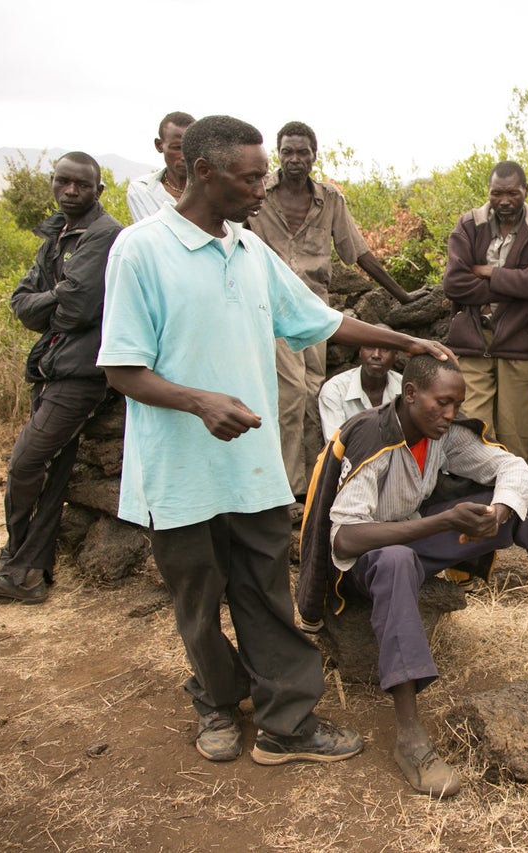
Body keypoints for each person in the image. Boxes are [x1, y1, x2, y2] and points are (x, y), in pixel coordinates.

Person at [96, 115, 453, 766]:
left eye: (265, 172)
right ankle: (216, 701)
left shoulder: (249, 251)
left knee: (264, 595)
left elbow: (322, 319)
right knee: (198, 604)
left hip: (251, 469)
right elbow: (122, 368)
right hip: (179, 471)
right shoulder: (142, 250)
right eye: (251, 174)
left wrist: (408, 341)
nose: (264, 186)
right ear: (204, 172)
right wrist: (198, 400)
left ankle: (287, 722)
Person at [296, 355, 528, 797]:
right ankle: (409, 736)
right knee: (395, 560)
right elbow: (346, 538)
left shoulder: (440, 435)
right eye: (442, 403)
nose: (450, 415)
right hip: (362, 565)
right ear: (409, 395)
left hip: (413, 539)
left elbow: (512, 468)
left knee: (524, 501)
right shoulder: (373, 434)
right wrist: (443, 523)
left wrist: (498, 511)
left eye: (456, 405)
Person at [0, 154, 123, 603]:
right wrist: (53, 296)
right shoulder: (56, 235)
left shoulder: (104, 235)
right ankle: (28, 571)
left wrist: (49, 299)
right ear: (53, 184)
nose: (71, 191)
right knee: (51, 472)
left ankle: (18, 563)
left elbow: (76, 310)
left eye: (81, 185)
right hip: (53, 365)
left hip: (80, 373)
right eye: (62, 182)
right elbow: (21, 303)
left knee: (26, 464)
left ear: (98, 190)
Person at [248, 120, 427, 502]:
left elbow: (358, 252)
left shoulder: (329, 200)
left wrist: (403, 295)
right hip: (270, 304)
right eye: (287, 152)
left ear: (314, 155)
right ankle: (287, 488)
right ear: (278, 155)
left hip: (314, 307)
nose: (295, 159)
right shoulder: (258, 195)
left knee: (315, 390)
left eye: (302, 152)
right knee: (291, 392)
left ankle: (318, 482)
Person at [441, 161, 528, 457]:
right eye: (497, 194)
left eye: (512, 193)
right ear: (489, 192)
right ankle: (479, 503)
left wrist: (487, 271)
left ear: (526, 191)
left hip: (518, 345)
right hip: (472, 343)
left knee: (515, 442)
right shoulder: (469, 225)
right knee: (472, 437)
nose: (504, 201)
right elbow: (454, 283)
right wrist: (520, 279)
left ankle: (514, 503)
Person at [317, 329, 402, 439]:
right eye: (369, 347)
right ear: (360, 351)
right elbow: (335, 447)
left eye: (385, 349)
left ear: (396, 355)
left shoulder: (405, 389)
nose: (376, 355)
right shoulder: (335, 390)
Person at [126, 111, 194, 222]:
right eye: (177, 148)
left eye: (191, 148)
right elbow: (150, 235)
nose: (184, 156)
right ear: (159, 145)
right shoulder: (142, 190)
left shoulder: (213, 189)